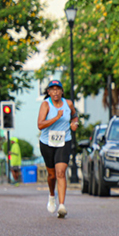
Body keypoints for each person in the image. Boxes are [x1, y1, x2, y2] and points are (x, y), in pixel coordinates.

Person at [37, 79, 78, 218]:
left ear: (62, 91)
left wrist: (74, 123)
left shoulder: (69, 104)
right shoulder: (45, 105)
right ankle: (51, 195)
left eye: (58, 89)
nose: (55, 92)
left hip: (64, 141)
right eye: (52, 89)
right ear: (48, 92)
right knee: (52, 175)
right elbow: (40, 125)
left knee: (61, 172)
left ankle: (61, 206)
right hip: (47, 143)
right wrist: (56, 117)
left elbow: (75, 116)